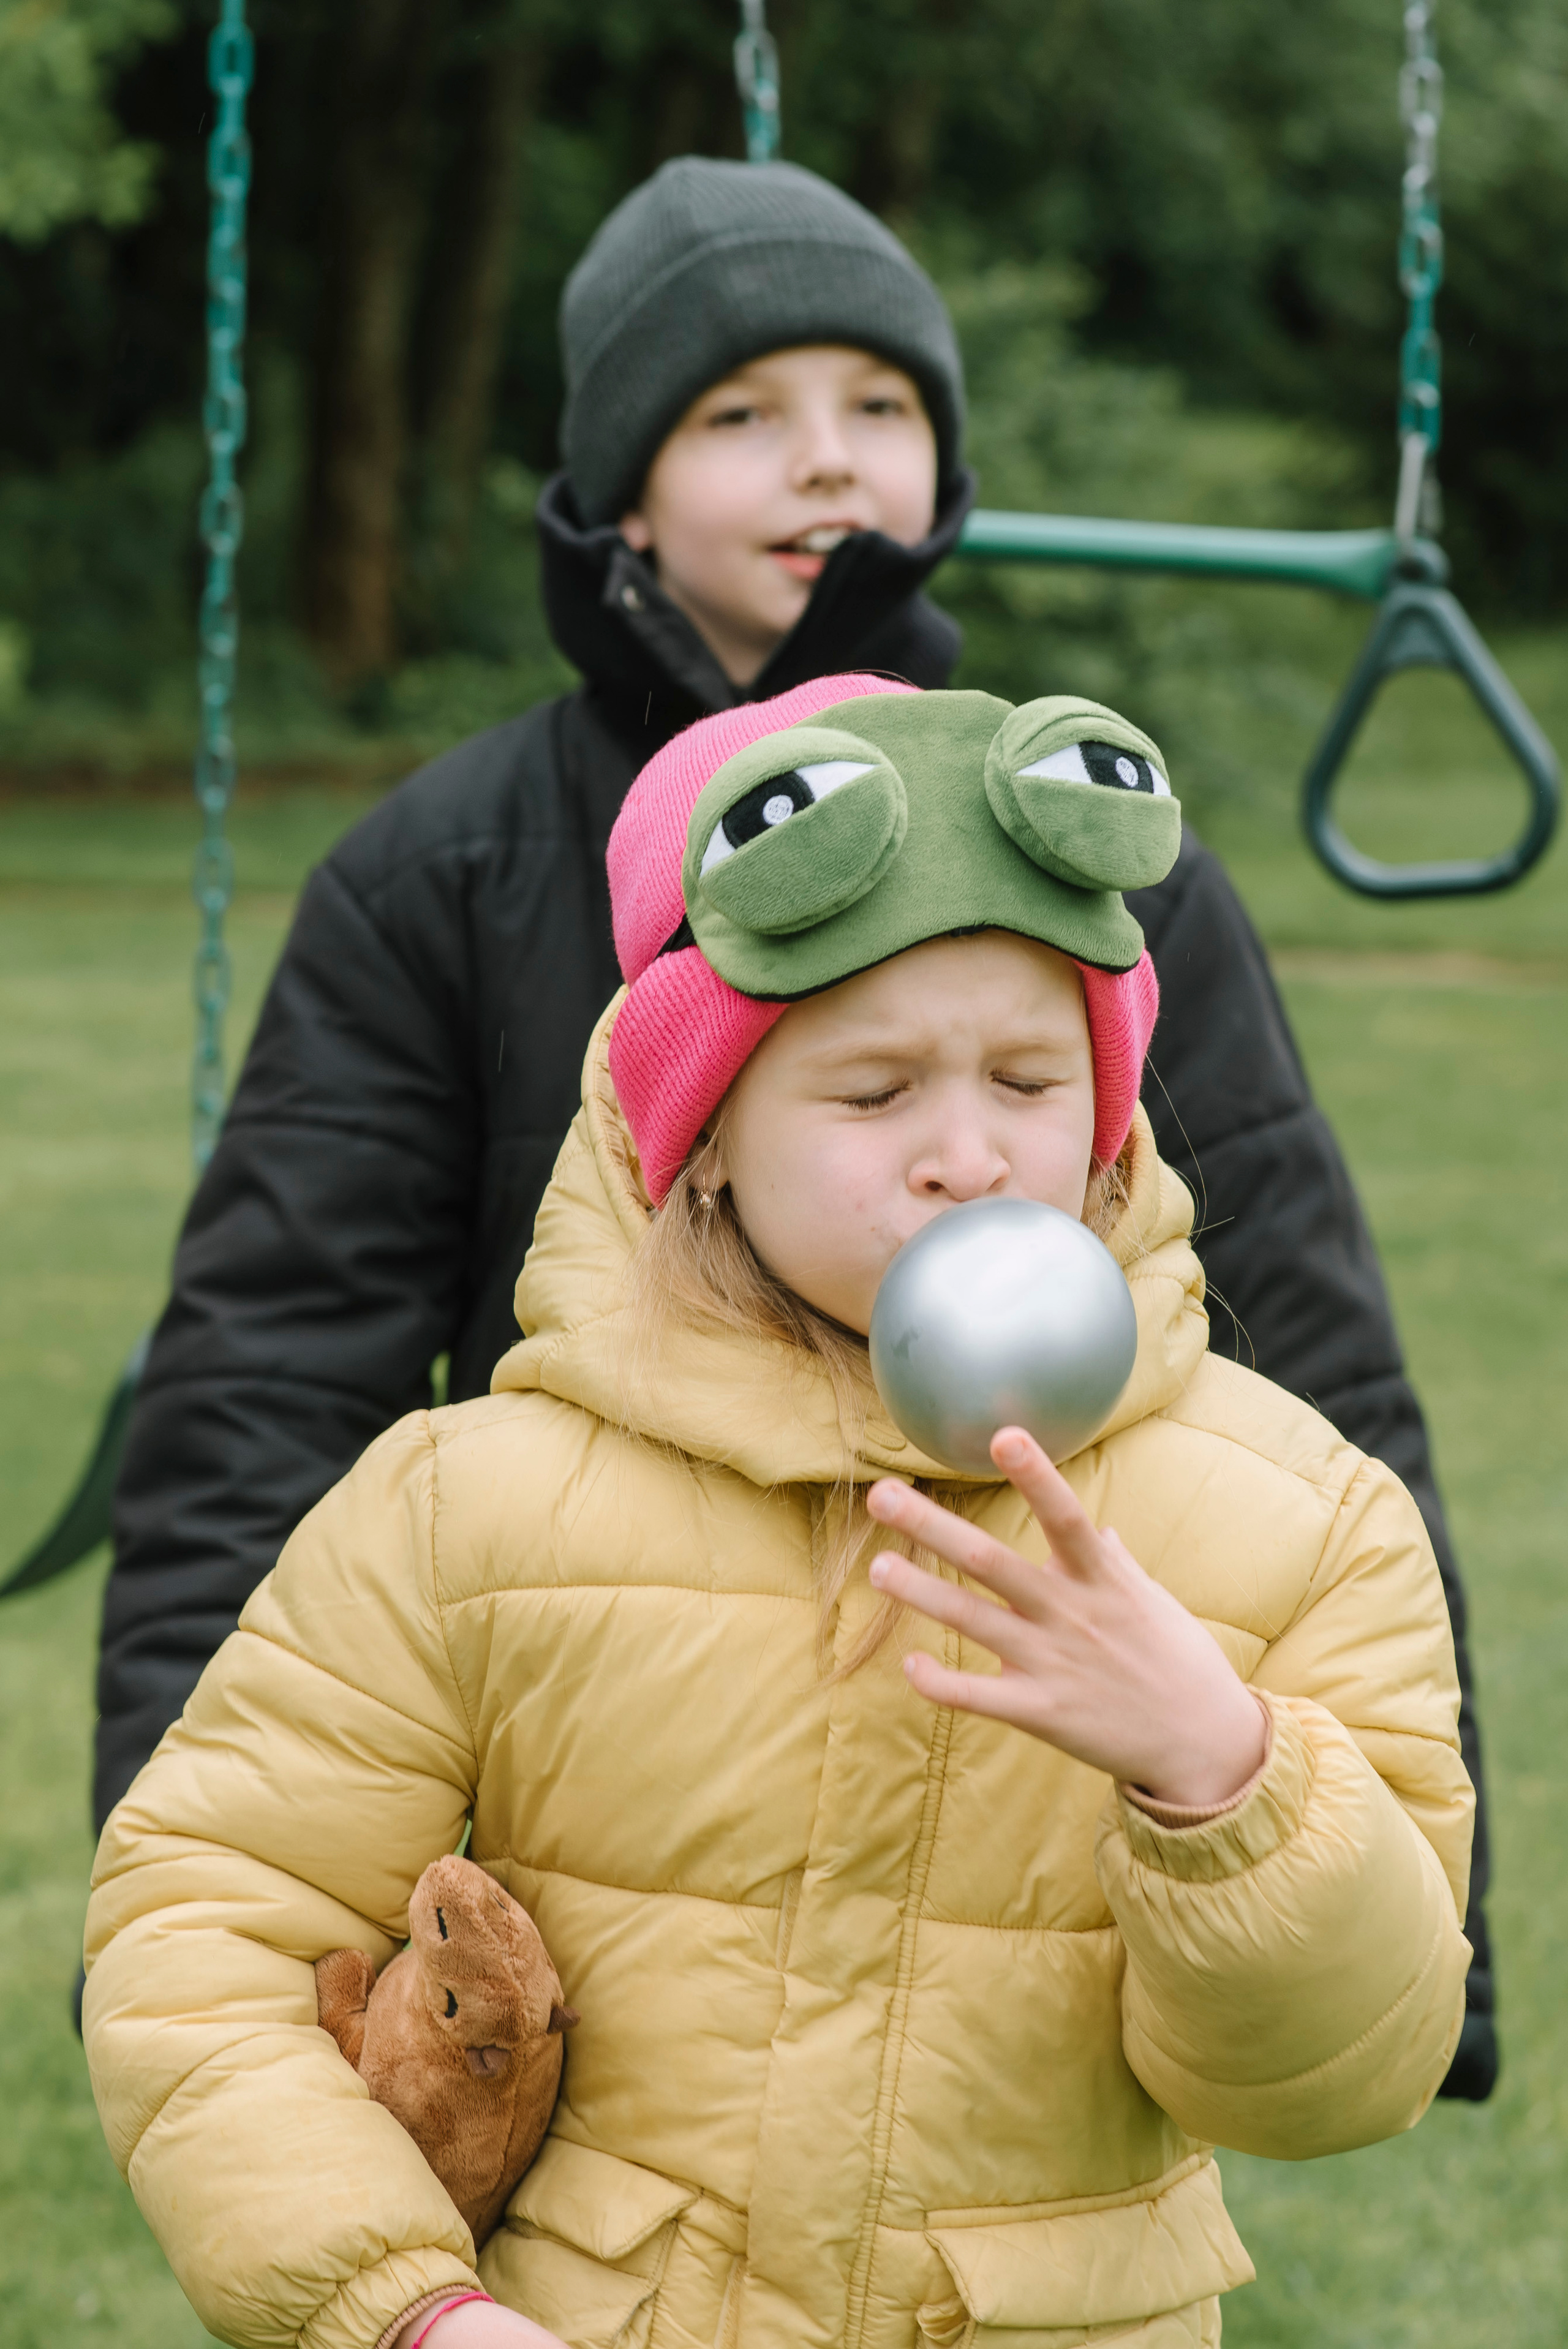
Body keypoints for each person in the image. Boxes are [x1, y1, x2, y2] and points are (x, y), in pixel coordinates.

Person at [94, 156, 1495, 2093]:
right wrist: (217, 1912)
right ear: (621, 494)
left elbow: (1313, 1360)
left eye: (883, 403)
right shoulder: (441, 871)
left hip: (1007, 1869)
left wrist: (1428, 1940)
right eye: (742, 413)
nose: (829, 457)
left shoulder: (1100, 874)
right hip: (610, 1790)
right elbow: (264, 1379)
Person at [83, 677, 1476, 2349]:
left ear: (1110, 1115)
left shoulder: (1302, 1523)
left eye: (1030, 1079)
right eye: (874, 1093)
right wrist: (407, 2307)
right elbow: (206, 1930)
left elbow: (1343, 2076)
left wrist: (1223, 1774)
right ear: (707, 1134)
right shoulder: (469, 1510)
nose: (968, 1155)